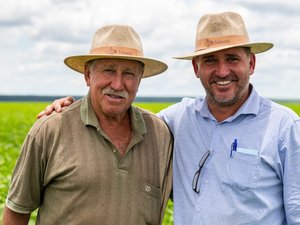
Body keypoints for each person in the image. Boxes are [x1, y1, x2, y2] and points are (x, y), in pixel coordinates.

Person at [37, 12, 300, 225]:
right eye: (210, 61)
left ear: (251, 64)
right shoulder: (174, 121)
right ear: (196, 68)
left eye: (232, 59)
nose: (222, 71)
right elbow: (119, 120)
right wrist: (67, 110)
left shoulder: (284, 127)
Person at [3, 24, 173, 225]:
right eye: (108, 71)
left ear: (140, 78)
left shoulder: (159, 134)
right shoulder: (50, 130)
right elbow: (16, 214)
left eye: (129, 73)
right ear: (87, 75)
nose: (118, 84)